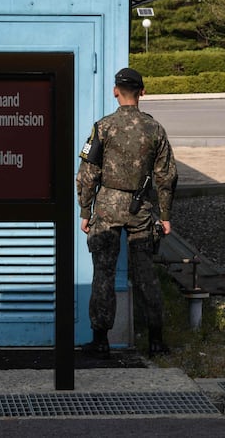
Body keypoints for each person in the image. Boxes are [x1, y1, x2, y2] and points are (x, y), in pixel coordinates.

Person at [76, 67, 178, 357]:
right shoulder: (154, 129)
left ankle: (100, 341)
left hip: (107, 208)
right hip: (141, 209)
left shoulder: (102, 128)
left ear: (115, 91)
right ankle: (156, 341)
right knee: (146, 274)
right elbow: (167, 176)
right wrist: (166, 215)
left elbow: (86, 174)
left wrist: (85, 210)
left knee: (103, 274)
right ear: (143, 92)